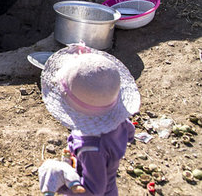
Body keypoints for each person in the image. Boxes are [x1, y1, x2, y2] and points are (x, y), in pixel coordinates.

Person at [38, 44, 141, 195]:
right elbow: (130, 133)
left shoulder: (90, 148)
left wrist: (64, 186)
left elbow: (94, 191)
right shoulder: (119, 122)